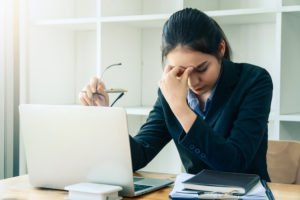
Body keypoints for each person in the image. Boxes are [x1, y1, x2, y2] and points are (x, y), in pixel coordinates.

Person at [79, 8, 273, 181]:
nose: (192, 81)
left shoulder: (254, 81)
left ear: (220, 49)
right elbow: (138, 156)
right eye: (180, 71)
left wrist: (180, 108)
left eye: (201, 68)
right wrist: (103, 115)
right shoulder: (170, 91)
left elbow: (234, 165)